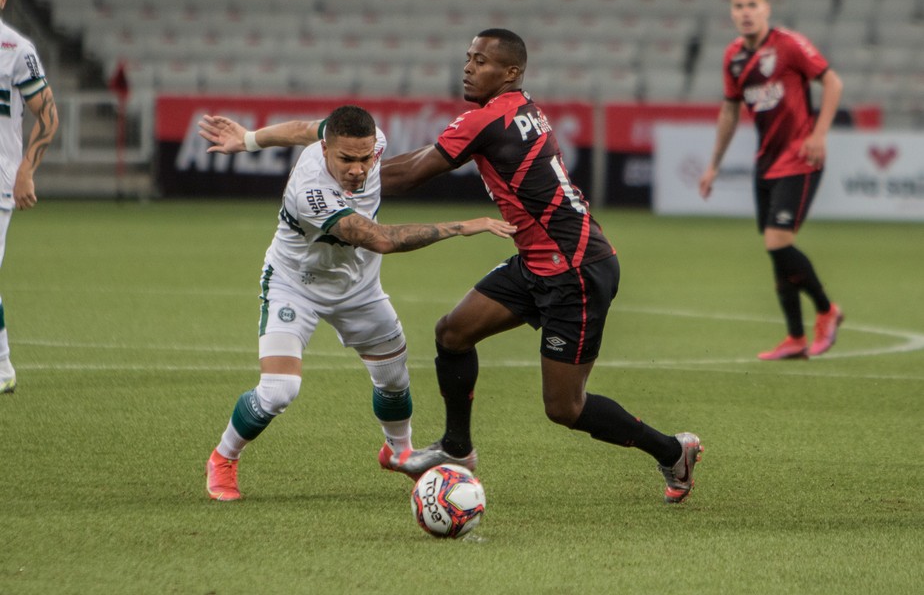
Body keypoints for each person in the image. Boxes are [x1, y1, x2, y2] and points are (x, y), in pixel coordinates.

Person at [204, 29, 704, 503]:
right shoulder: (520, 109)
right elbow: (332, 142)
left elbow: (413, 174)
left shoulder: (483, 119)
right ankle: (457, 449)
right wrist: (344, 170)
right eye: (468, 57)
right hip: (538, 259)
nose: (467, 68)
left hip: (575, 269)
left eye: (480, 61)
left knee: (564, 408)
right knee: (453, 333)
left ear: (510, 73)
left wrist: (352, 180)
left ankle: (672, 452)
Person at [197, 105, 516, 501]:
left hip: (359, 288)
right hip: (295, 284)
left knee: (395, 379)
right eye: (346, 159)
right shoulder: (311, 191)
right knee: (280, 389)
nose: (358, 169)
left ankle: (399, 453)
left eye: (365, 159)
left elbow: (301, 127)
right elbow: (381, 239)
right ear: (326, 149)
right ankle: (223, 458)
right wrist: (463, 226)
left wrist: (247, 140)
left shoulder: (370, 141)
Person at [699, 0, 844, 360]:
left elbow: (832, 82)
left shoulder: (789, 45)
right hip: (765, 163)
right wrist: (713, 165)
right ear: (732, 13)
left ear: (766, 9)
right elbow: (730, 110)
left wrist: (820, 134)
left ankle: (827, 311)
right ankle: (795, 337)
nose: (745, 12)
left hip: (800, 157)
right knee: (777, 252)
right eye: (739, 6)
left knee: (777, 241)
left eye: (752, 5)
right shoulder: (733, 56)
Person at [0, 0, 59, 394]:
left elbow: (49, 115)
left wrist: (26, 169)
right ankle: (2, 369)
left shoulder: (16, 50)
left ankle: (2, 369)